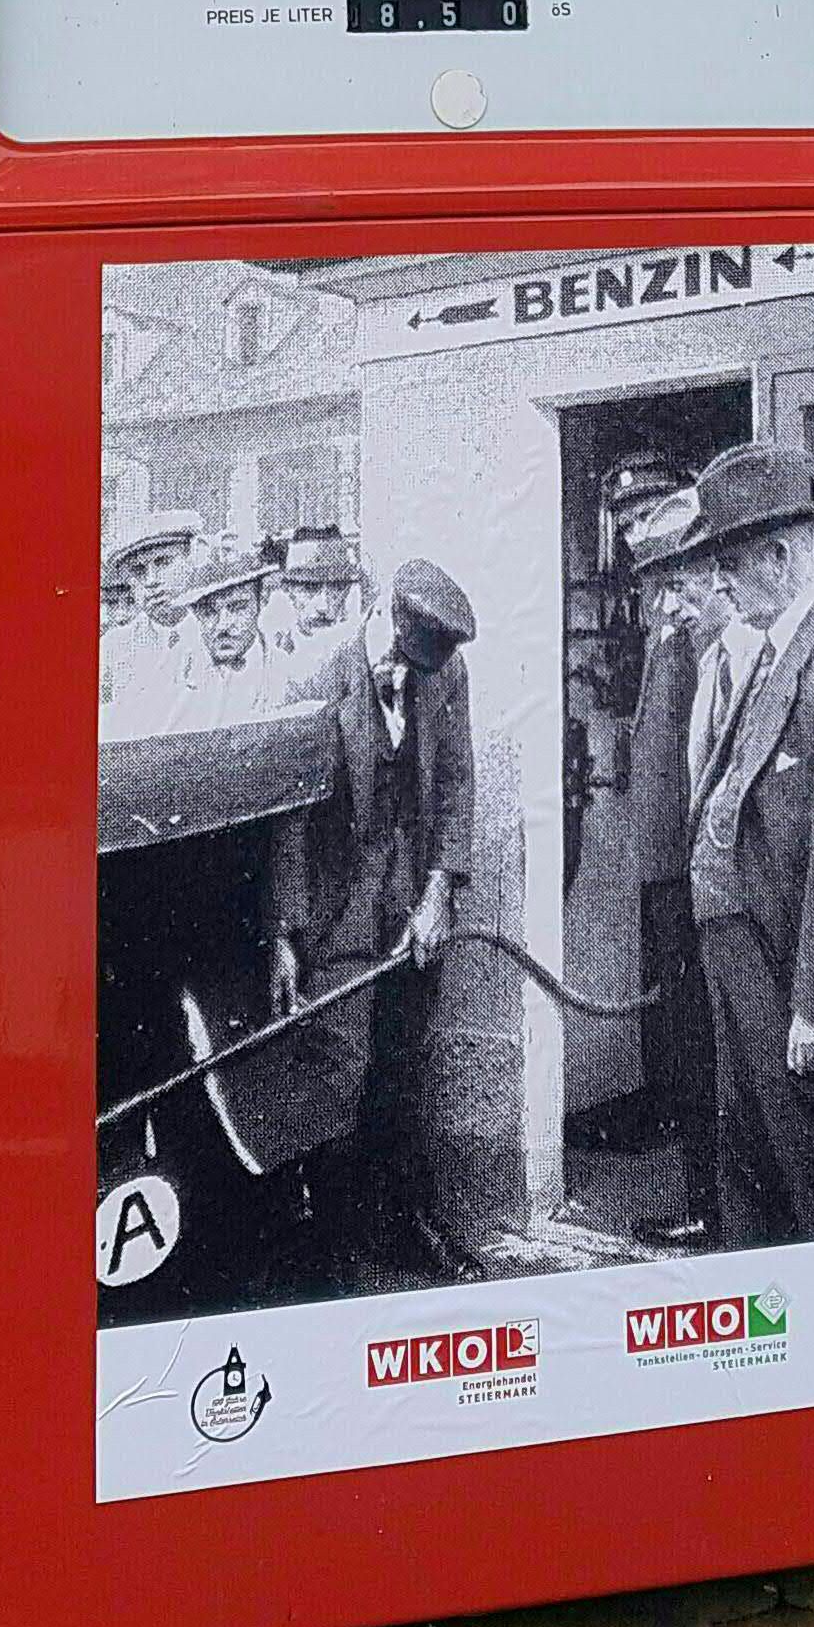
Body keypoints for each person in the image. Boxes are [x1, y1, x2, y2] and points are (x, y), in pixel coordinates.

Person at [266, 557, 479, 1288]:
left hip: (409, 897)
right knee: (338, 1067)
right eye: (406, 660)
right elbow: (289, 819)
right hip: (338, 906)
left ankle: (408, 1225)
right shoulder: (316, 677)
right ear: (387, 623)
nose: (417, 675)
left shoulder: (445, 673)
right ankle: (326, 1243)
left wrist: (439, 891)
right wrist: (286, 932)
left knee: (404, 1064)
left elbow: (456, 782)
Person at [670, 443, 814, 1250]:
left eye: (731, 565)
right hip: (736, 952)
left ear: (780, 557)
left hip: (781, 967)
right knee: (745, 1147)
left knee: (799, 1164)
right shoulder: (778, 647)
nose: (719, 585)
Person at [619, 482, 729, 1253]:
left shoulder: (699, 644)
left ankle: (710, 1208)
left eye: (670, 575)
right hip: (662, 872)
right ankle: (705, 1199)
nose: (662, 594)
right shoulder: (668, 635)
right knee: (682, 1040)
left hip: (688, 874)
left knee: (700, 1045)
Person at [98, 507, 204, 735]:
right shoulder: (113, 646)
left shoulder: (216, 632)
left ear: (189, 560)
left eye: (163, 562)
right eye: (138, 571)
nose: (151, 580)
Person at [173, 534, 293, 729]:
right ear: (195, 613)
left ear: (261, 600)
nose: (223, 625)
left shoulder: (289, 675)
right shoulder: (177, 679)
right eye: (208, 611)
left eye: (237, 607)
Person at [266, 521, 366, 680]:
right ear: (287, 589)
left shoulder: (359, 656)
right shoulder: (272, 654)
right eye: (310, 588)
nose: (324, 605)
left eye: (338, 587)